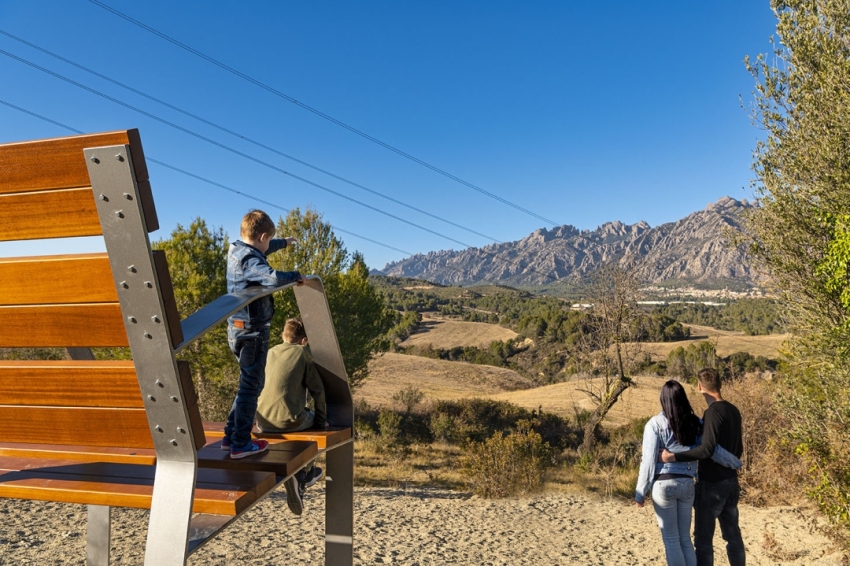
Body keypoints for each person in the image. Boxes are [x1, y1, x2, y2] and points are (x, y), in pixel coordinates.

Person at [222, 210, 304, 459]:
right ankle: (241, 443)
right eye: (270, 240)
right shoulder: (250, 260)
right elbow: (273, 278)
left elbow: (263, 249)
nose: (270, 245)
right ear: (262, 235)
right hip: (252, 332)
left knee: (246, 384)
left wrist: (285, 242)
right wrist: (297, 276)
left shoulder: (238, 250)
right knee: (251, 387)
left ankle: (230, 435)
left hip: (238, 328)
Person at [636, 380, 741, 566]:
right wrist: (734, 462)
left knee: (671, 539)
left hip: (663, 484)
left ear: (663, 399)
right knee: (685, 539)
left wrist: (640, 492)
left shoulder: (655, 424)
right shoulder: (696, 423)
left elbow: (649, 461)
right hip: (688, 485)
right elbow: (713, 449)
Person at [661, 368, 745, 566]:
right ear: (720, 384)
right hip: (732, 482)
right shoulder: (733, 410)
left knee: (703, 540)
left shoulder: (713, 413)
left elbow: (706, 450)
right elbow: (738, 450)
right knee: (733, 536)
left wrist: (673, 457)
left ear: (699, 387)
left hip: (712, 485)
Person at [256, 318, 327, 515]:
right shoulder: (303, 354)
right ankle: (304, 473)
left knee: (300, 420)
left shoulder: (270, 353)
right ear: (304, 340)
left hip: (262, 421)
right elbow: (318, 391)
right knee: (314, 423)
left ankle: (304, 475)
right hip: (290, 421)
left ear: (282, 335)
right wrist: (322, 422)